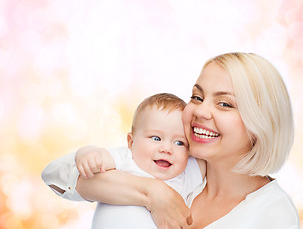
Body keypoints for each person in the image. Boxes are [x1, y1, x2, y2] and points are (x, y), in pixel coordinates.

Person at [62, 52, 300, 229]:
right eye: (197, 97)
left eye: (224, 104)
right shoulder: (179, 165)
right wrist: (152, 192)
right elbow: (58, 175)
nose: (200, 111)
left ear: (261, 123)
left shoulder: (273, 214)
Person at [42, 93, 204, 228]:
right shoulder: (126, 159)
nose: (167, 149)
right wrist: (86, 154)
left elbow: (217, 163)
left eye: (179, 143)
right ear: (131, 142)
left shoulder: (184, 175)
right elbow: (94, 157)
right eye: (156, 138)